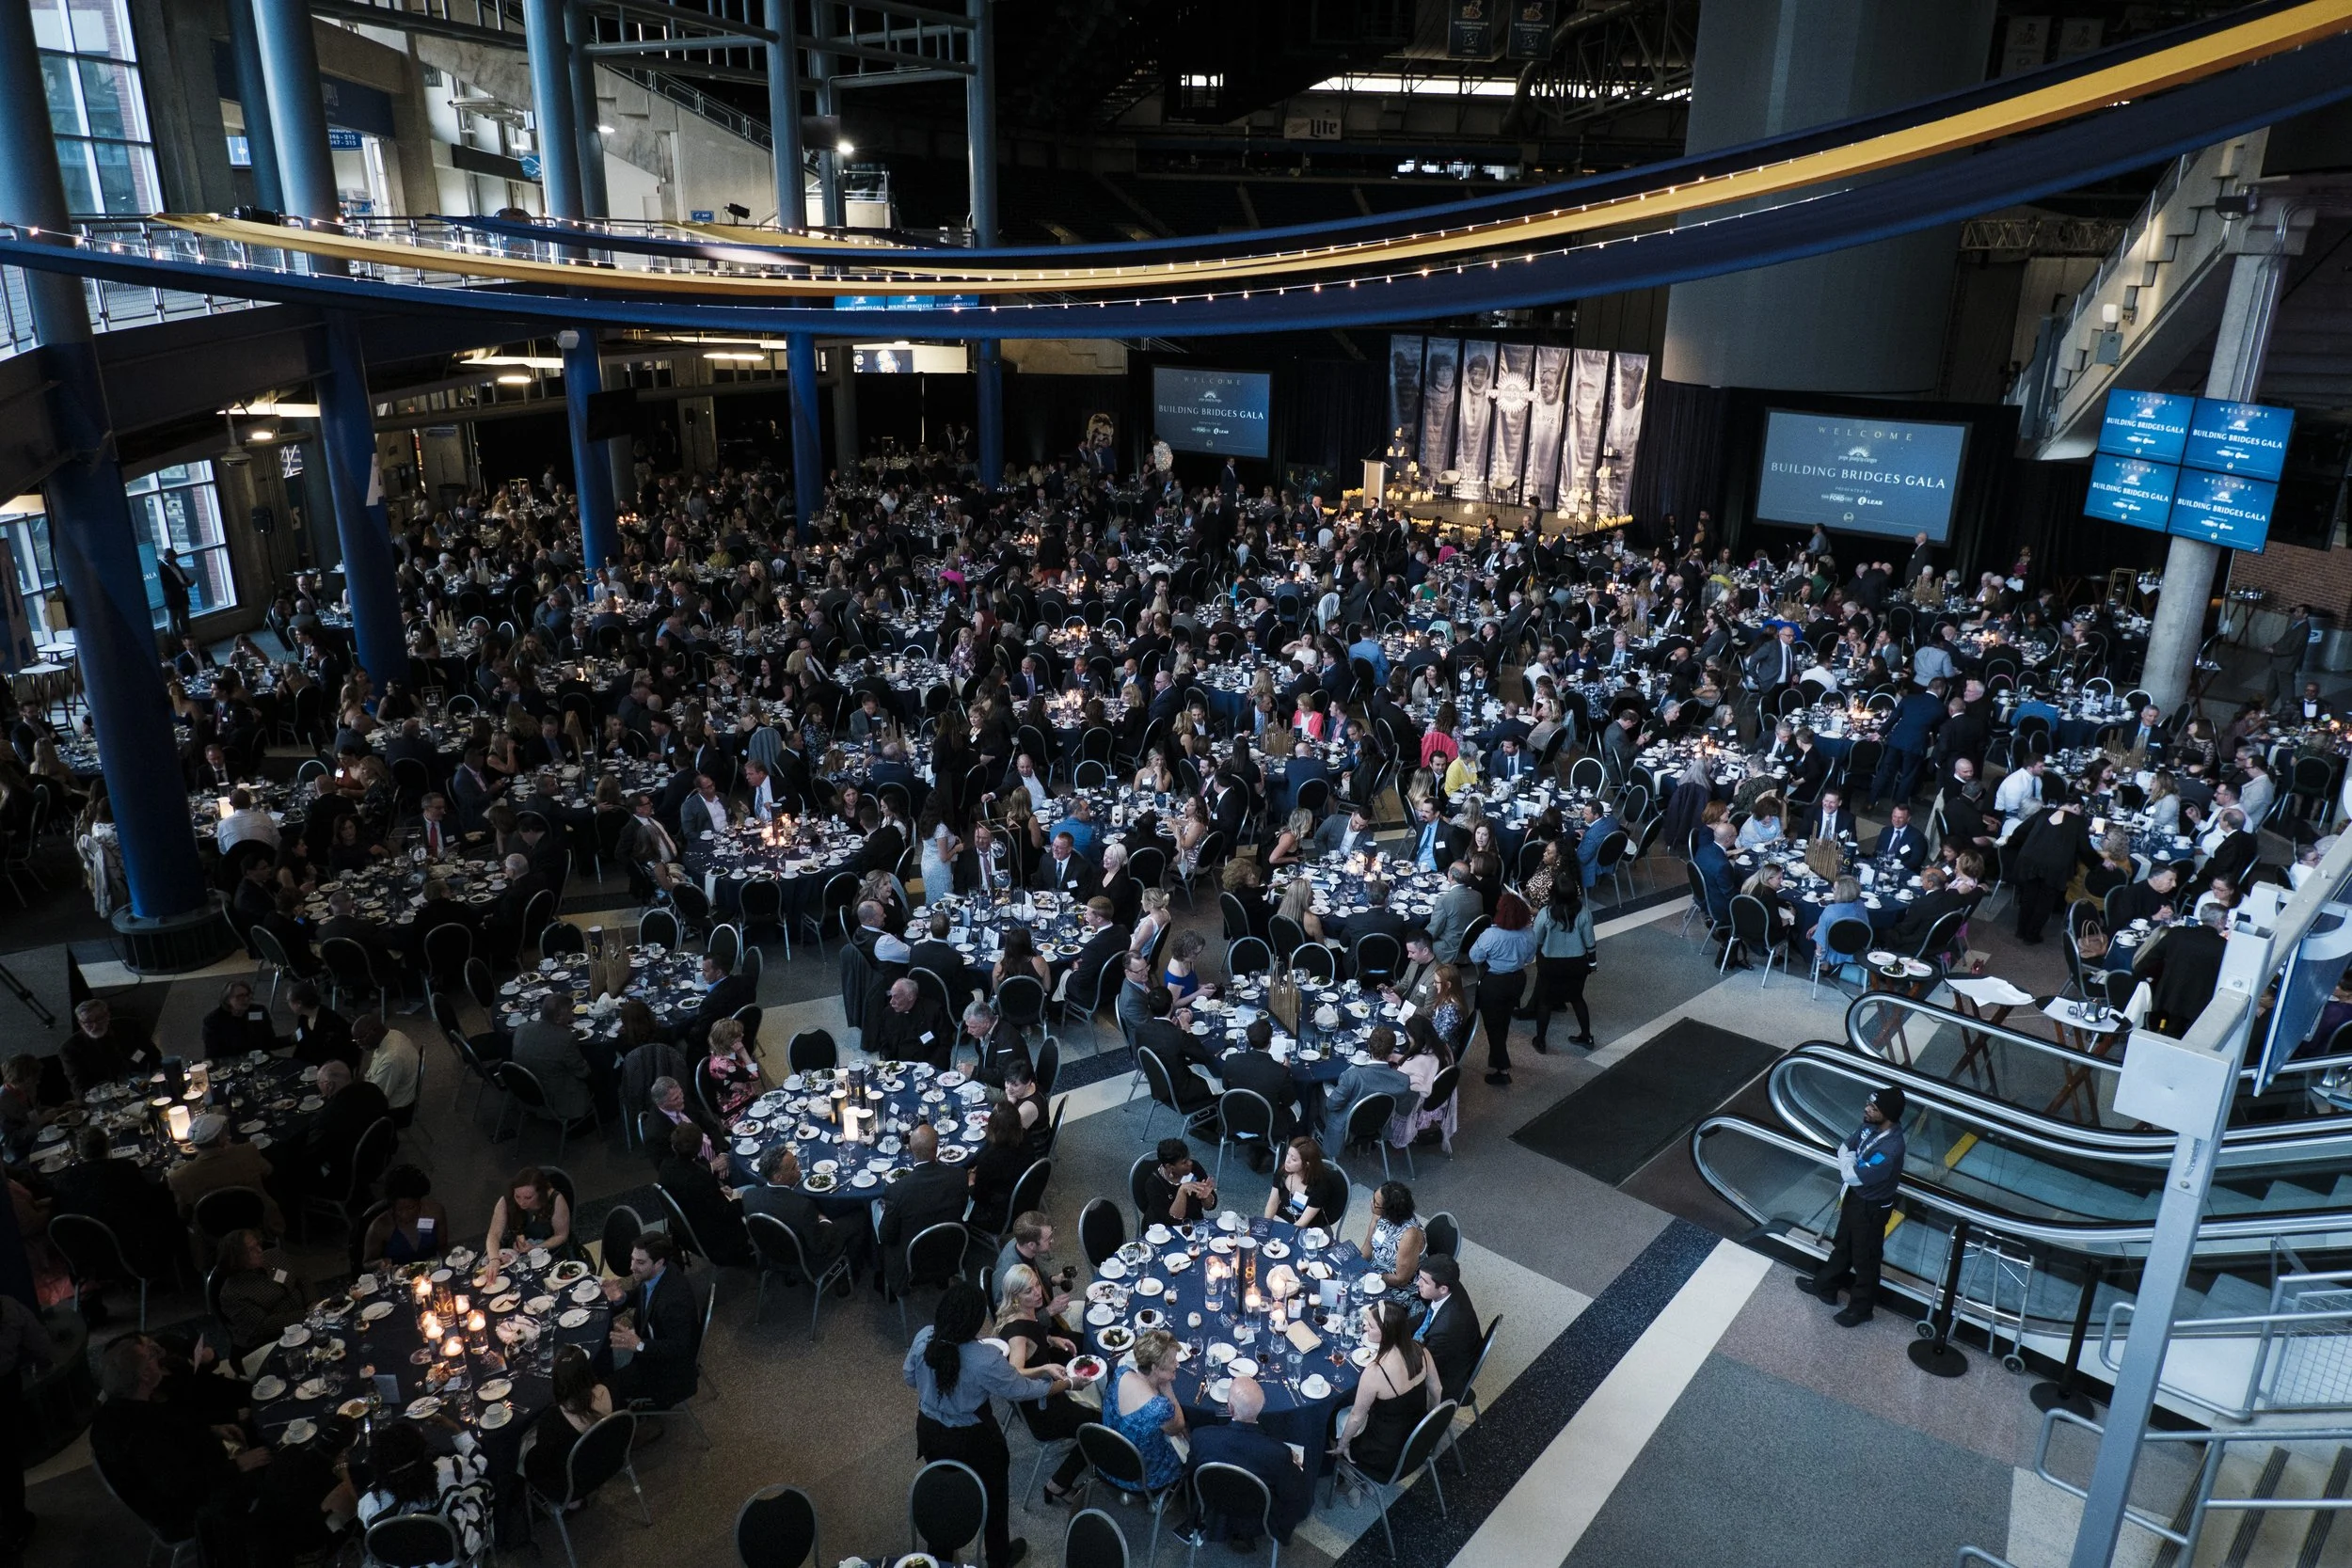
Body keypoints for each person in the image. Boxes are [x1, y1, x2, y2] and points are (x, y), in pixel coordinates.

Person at [904, 1281, 1068, 1568]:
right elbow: (1019, 1390)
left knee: (944, 1492)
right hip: (974, 1438)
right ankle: (998, 1559)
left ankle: (939, 1558)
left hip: (930, 1431)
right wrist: (1057, 1384)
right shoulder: (985, 1359)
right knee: (994, 1500)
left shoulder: (923, 1339)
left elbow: (909, 1378)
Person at [1799, 1085, 1908, 1326]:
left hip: (1872, 1208)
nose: (1866, 1109)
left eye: (1874, 1107)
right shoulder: (1869, 1126)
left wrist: (1849, 1161)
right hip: (1855, 1198)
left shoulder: (1891, 1148)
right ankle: (1826, 1286)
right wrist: (1851, 1160)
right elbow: (1845, 1147)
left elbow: (1853, 1175)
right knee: (1843, 1243)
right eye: (1869, 1104)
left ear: (1888, 1115)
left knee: (1865, 1258)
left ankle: (1861, 1308)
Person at [993, 1261, 1094, 1502]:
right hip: (1041, 1408)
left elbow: (1034, 1337)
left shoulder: (1020, 1313)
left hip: (1043, 1392)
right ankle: (1058, 1485)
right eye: (1029, 1291)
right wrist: (1047, 1368)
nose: (1038, 1292)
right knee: (1096, 1426)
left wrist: (1051, 1340)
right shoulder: (1017, 1335)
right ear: (1016, 1297)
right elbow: (1015, 1373)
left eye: (1036, 1285)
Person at [1187, 1374, 1312, 1549]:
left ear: (1230, 1408)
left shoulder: (1202, 1437)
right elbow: (1292, 1494)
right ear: (1262, 1407)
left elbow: (1189, 1471)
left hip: (1214, 1502)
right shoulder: (1278, 1453)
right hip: (1260, 1514)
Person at [1333, 1300, 1438, 1491]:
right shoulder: (1421, 1351)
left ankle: (1353, 1483)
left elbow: (1357, 1417)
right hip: (1415, 1439)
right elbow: (1436, 1390)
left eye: (1371, 1326)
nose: (1365, 1327)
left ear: (1386, 1332)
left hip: (1382, 1452)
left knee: (1339, 1419)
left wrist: (1342, 1444)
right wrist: (1430, 1420)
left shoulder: (1375, 1372)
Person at [355, 1418, 492, 1561]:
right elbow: (479, 1464)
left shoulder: (368, 1502)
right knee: (481, 1484)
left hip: (403, 1561)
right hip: (454, 1555)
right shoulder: (445, 1470)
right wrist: (457, 1430)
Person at [599, 1231, 702, 1407]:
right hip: (648, 1347)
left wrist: (639, 1345)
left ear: (659, 1262)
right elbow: (643, 1292)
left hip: (666, 1370)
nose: (632, 1267)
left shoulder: (674, 1302)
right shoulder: (659, 1273)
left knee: (606, 1387)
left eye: (640, 1262)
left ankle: (632, 1420)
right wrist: (622, 1297)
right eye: (632, 1259)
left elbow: (680, 1348)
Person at [878, 1125, 972, 1292]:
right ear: (936, 1149)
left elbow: (885, 1236)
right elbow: (961, 1211)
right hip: (951, 1251)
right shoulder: (958, 1177)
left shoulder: (897, 1191)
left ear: (911, 1149)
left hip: (912, 1263)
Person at [742, 1146, 850, 1286]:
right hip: (805, 1261)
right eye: (794, 1167)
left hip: (770, 1254)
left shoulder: (749, 1196)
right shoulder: (802, 1207)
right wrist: (825, 1221)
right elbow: (819, 1246)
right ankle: (844, 1278)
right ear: (778, 1177)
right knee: (857, 1219)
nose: (799, 1168)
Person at [656, 1120, 754, 1266]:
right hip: (714, 1236)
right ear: (700, 1148)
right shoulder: (701, 1178)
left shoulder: (665, 1167)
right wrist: (742, 1199)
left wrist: (720, 1194)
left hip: (688, 1229)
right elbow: (726, 1213)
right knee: (754, 1193)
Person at [524, 1345, 616, 1498]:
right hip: (608, 1461)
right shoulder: (604, 1391)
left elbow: (544, 1463)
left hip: (571, 1484)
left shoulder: (552, 1419)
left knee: (525, 1449)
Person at [1107, 1329, 1190, 1498]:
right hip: (1143, 1476)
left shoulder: (1120, 1373)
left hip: (1109, 1458)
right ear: (1154, 1368)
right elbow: (1178, 1425)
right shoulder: (1159, 1408)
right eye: (1172, 1361)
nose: (1177, 1364)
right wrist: (1168, 1390)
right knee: (1192, 1441)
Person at [1468, 890, 1536, 1083]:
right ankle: (1498, 1059)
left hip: (1495, 983)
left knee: (1492, 1026)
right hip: (1517, 980)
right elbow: (1530, 958)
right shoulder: (1529, 933)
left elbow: (1475, 956)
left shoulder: (1491, 935)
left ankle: (1502, 1069)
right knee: (1503, 1021)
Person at [215, 1227, 310, 1360]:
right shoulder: (232, 1293)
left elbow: (302, 1279)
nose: (260, 1250)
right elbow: (264, 1325)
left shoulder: (275, 1256)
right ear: (236, 1258)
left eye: (258, 1245)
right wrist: (306, 1315)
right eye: (251, 1250)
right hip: (268, 1342)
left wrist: (313, 1304)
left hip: (305, 1322)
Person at [1529, 878, 1597, 1051]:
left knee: (1545, 1001)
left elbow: (1537, 939)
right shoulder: (1585, 913)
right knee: (1577, 998)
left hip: (1550, 963)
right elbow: (1590, 942)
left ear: (1554, 894)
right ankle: (1586, 1037)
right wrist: (1592, 964)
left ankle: (1541, 1040)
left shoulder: (1545, 913)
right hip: (1577, 963)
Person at [511, 992, 596, 1125]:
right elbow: (583, 1072)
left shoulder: (522, 1029)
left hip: (525, 1091)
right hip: (557, 1099)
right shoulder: (566, 1039)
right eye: (570, 1012)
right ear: (558, 1018)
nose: (572, 1015)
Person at [1413, 1253, 1481, 1397]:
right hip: (1448, 1353)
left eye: (1424, 1281)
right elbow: (1424, 1316)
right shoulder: (1450, 1286)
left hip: (1444, 1380)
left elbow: (1421, 1366)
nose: (1418, 1283)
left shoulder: (1446, 1329)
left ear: (1442, 1289)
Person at [59, 999, 158, 1095]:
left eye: (99, 1019)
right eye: (88, 1022)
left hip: (140, 1079)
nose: (95, 1026)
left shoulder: (130, 1027)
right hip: (105, 1093)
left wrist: (133, 1062)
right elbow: (80, 1085)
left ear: (107, 1016)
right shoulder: (70, 1049)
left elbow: (146, 1050)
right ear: (80, 1023)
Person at [359, 1164, 447, 1269]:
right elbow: (366, 1264)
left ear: (419, 1201)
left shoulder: (435, 1213)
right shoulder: (379, 1227)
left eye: (410, 1208)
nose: (404, 1215)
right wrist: (380, 1263)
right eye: (399, 1209)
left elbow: (443, 1248)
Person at [484, 1165, 573, 1259]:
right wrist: (494, 1259)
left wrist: (535, 1248)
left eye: (528, 1198)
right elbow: (494, 1234)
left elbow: (561, 1235)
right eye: (517, 1196)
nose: (521, 1202)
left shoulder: (555, 1200)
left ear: (540, 1193)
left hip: (551, 1250)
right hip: (518, 1251)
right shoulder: (506, 1200)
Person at [1263, 1135, 1346, 1228]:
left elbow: (1303, 1223)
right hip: (1286, 1212)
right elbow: (1273, 1202)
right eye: (1288, 1154)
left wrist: (1284, 1236)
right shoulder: (1283, 1171)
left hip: (1309, 1224)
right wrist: (1266, 1225)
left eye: (1294, 1159)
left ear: (1306, 1164)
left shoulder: (1320, 1186)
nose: (1287, 1161)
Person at [870, 976, 954, 1067]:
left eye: (896, 997)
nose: (891, 1002)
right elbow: (884, 1042)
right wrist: (887, 1064)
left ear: (910, 997)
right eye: (891, 996)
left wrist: (930, 1066)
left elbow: (945, 1045)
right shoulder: (888, 1013)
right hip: (898, 1065)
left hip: (928, 1065)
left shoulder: (934, 1012)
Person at [1362, 1181, 1425, 1302]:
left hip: (1396, 1289)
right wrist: (1357, 1266)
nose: (1372, 1204)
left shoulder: (1409, 1235)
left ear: (1389, 1211)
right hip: (1373, 1273)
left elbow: (1401, 1279)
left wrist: (1371, 1277)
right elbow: (1368, 1245)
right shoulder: (1379, 1214)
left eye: (1376, 1203)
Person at [355, 1014, 421, 1127]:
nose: (358, 1044)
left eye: (361, 1039)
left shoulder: (391, 1059)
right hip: (391, 1093)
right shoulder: (393, 1034)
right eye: (355, 1040)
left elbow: (376, 1100)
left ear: (374, 1031)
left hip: (397, 1111)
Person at [1141, 1135, 1218, 1227]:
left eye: (1189, 1158)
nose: (1190, 1163)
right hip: (1164, 1230)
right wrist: (1181, 1192)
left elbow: (1211, 1206)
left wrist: (1206, 1198)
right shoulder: (1153, 1184)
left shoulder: (1195, 1168)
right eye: (1184, 1162)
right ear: (1170, 1167)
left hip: (1193, 1223)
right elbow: (1172, 1222)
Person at [200, 979, 279, 1059]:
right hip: (231, 1063)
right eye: (240, 996)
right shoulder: (213, 1020)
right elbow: (211, 1055)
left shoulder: (258, 1010)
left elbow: (270, 1042)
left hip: (260, 1059)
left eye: (247, 995)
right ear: (227, 1000)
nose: (246, 999)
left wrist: (291, 1038)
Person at [285, 984, 355, 1071]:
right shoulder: (303, 1017)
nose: (288, 1004)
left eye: (289, 1001)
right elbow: (302, 1044)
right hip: (311, 1064)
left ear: (299, 1004)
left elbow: (334, 1052)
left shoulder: (330, 1021)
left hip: (328, 1067)